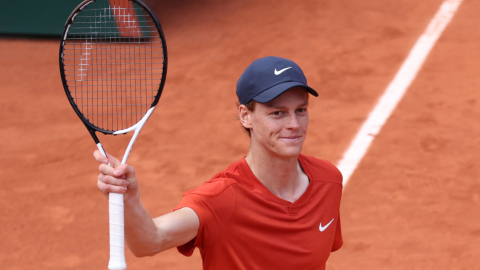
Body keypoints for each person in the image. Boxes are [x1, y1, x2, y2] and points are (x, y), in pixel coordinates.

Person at [95, 56, 343, 270]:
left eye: (300, 110)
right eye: (277, 113)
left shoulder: (328, 181)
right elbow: (151, 240)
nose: (294, 124)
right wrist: (129, 201)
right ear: (246, 116)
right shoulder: (221, 199)